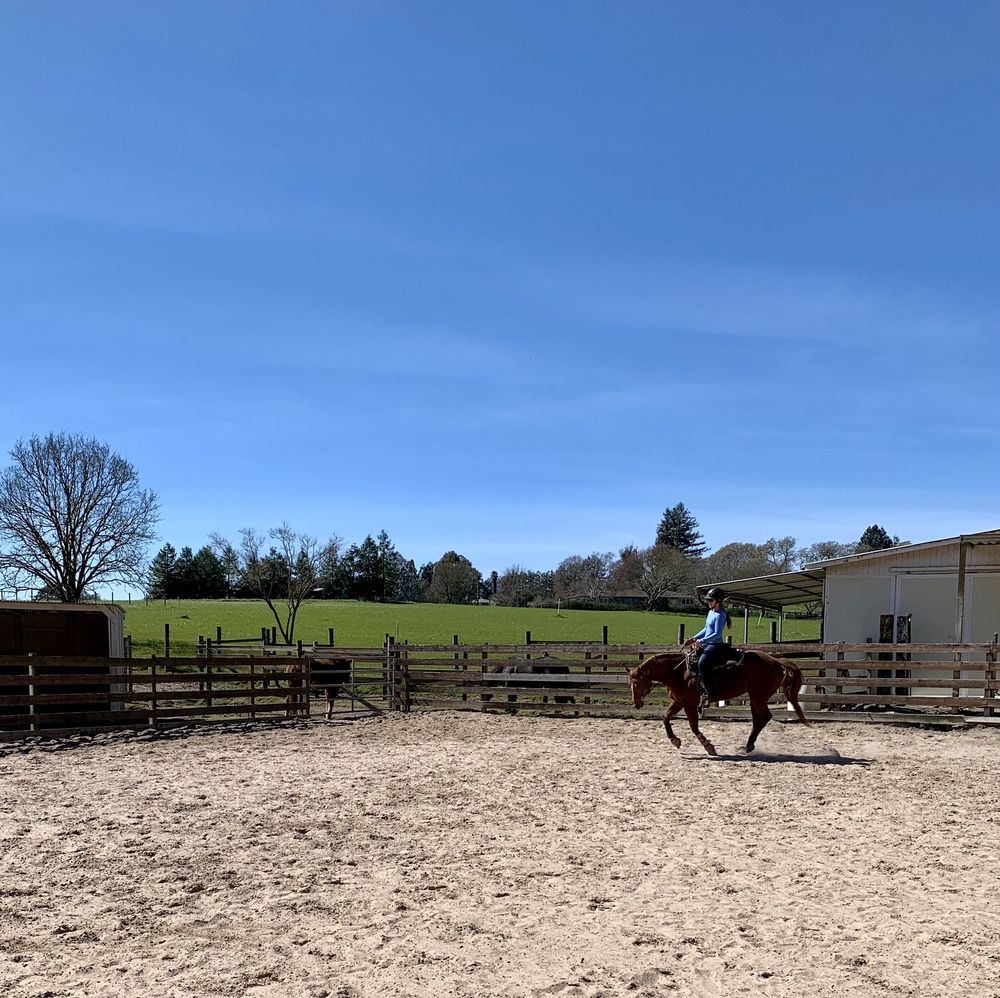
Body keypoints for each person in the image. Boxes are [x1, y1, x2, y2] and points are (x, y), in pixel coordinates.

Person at [683, 587, 732, 691]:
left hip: (715, 645)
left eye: (711, 600)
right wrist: (693, 638)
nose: (708, 602)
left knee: (702, 663)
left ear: (718, 601)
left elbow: (717, 634)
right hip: (707, 643)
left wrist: (702, 641)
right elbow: (706, 629)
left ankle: (709, 689)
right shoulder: (711, 612)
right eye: (707, 600)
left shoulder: (720, 615)